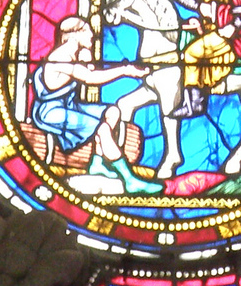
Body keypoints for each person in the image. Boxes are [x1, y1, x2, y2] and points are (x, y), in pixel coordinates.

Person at [29, 16, 159, 193]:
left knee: (112, 111)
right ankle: (129, 179)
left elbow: (87, 73)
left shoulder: (73, 55)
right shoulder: (61, 56)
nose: (92, 35)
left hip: (68, 106)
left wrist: (86, 60)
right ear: (75, 34)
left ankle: (97, 162)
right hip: (51, 112)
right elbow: (90, 78)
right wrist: (124, 70)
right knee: (102, 128)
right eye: (88, 30)